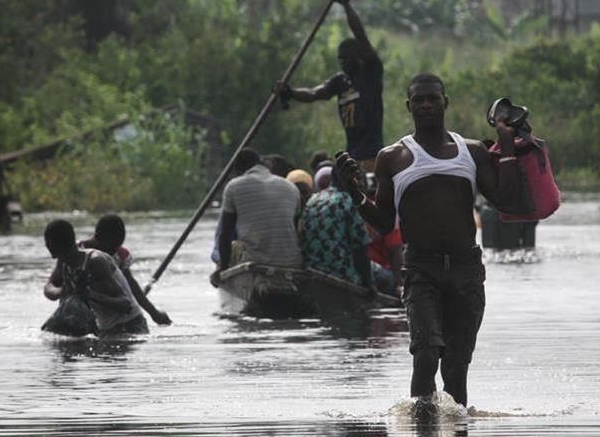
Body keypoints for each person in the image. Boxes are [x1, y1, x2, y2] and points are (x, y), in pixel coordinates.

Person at [335, 73, 519, 408]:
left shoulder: (472, 152)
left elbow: (504, 199)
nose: (426, 105)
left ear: (445, 102)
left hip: (466, 269)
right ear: (409, 107)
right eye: (419, 100)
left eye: (433, 98)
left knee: (456, 367)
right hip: (421, 270)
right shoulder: (392, 157)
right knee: (426, 354)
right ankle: (420, 423)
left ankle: (456, 424)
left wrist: (507, 146)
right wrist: (356, 194)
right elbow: (384, 220)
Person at [279, 0, 383, 173]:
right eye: (340, 59)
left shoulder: (371, 73)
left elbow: (361, 35)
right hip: (352, 153)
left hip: (371, 154)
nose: (343, 62)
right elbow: (314, 93)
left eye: (347, 58)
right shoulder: (339, 81)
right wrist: (290, 92)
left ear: (358, 57)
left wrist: (345, 4)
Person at [210, 148, 303, 287]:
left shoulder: (234, 186)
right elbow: (297, 231)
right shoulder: (291, 187)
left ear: (239, 170)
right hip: (292, 262)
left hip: (257, 261)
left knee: (234, 245)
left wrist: (222, 269)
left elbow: (225, 234)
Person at [43, 219, 149, 336]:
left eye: (47, 243)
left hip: (130, 326)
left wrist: (90, 295)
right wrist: (63, 291)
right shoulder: (63, 262)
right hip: (105, 329)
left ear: (51, 245)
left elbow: (125, 304)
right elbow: (49, 288)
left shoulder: (95, 261)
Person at [79, 214, 172, 325]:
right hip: (87, 312)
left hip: (113, 314)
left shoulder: (120, 255)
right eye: (112, 246)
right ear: (98, 237)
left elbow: (131, 285)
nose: (113, 252)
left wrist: (154, 313)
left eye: (117, 246)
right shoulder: (77, 252)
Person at [299, 165, 375, 293]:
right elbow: (360, 249)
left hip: (311, 268)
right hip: (341, 272)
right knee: (386, 278)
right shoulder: (350, 201)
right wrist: (369, 284)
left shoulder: (313, 199)